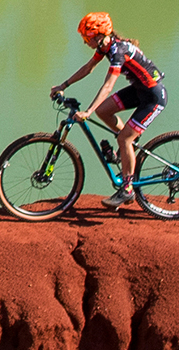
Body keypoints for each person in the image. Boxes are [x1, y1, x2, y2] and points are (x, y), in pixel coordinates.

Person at [51, 10, 165, 205]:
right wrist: (63, 85)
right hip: (139, 90)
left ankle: (128, 188)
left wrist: (87, 111)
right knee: (104, 111)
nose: (85, 41)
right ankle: (126, 148)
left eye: (87, 37)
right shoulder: (105, 47)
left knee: (123, 138)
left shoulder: (118, 52)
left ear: (99, 35)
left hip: (152, 97)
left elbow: (108, 85)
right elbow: (88, 68)